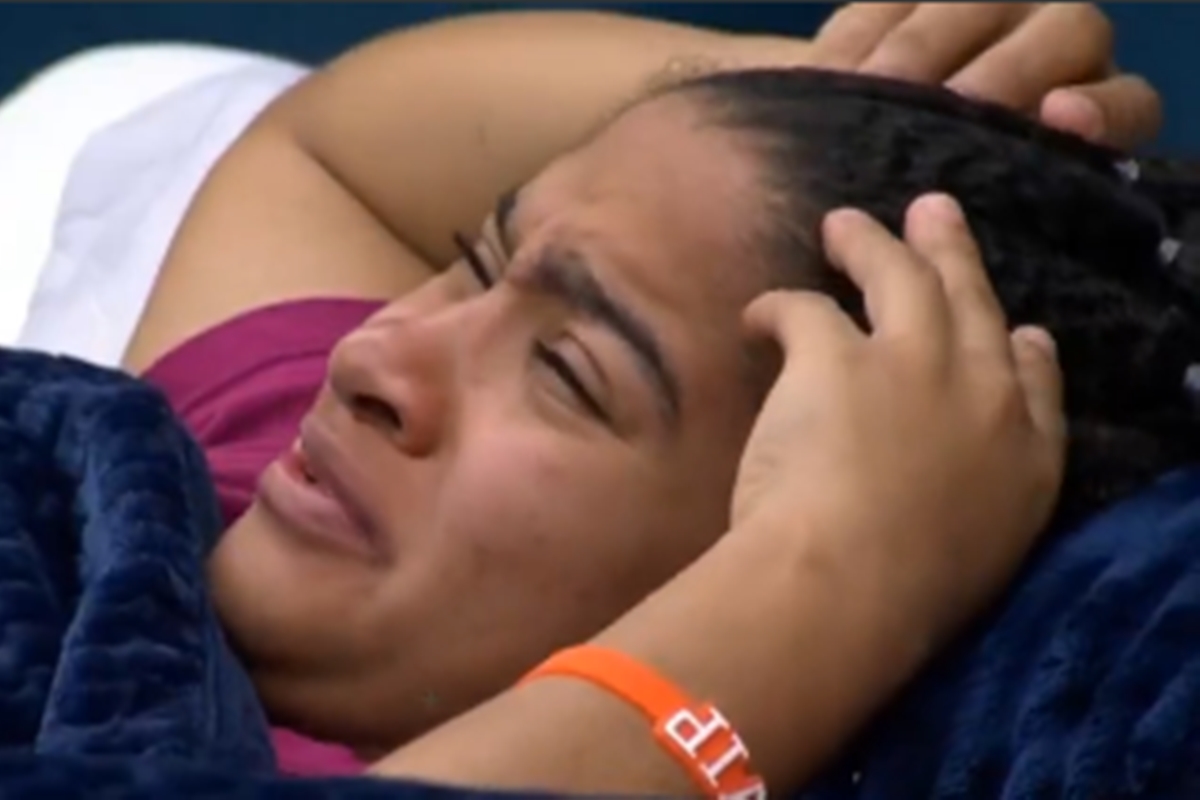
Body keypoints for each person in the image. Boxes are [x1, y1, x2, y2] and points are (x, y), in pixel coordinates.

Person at [7, 2, 1171, 793]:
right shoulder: (226, 482)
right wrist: (824, 106)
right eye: (477, 262)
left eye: (566, 372)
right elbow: (334, 155)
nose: (368, 361)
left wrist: (831, 578)